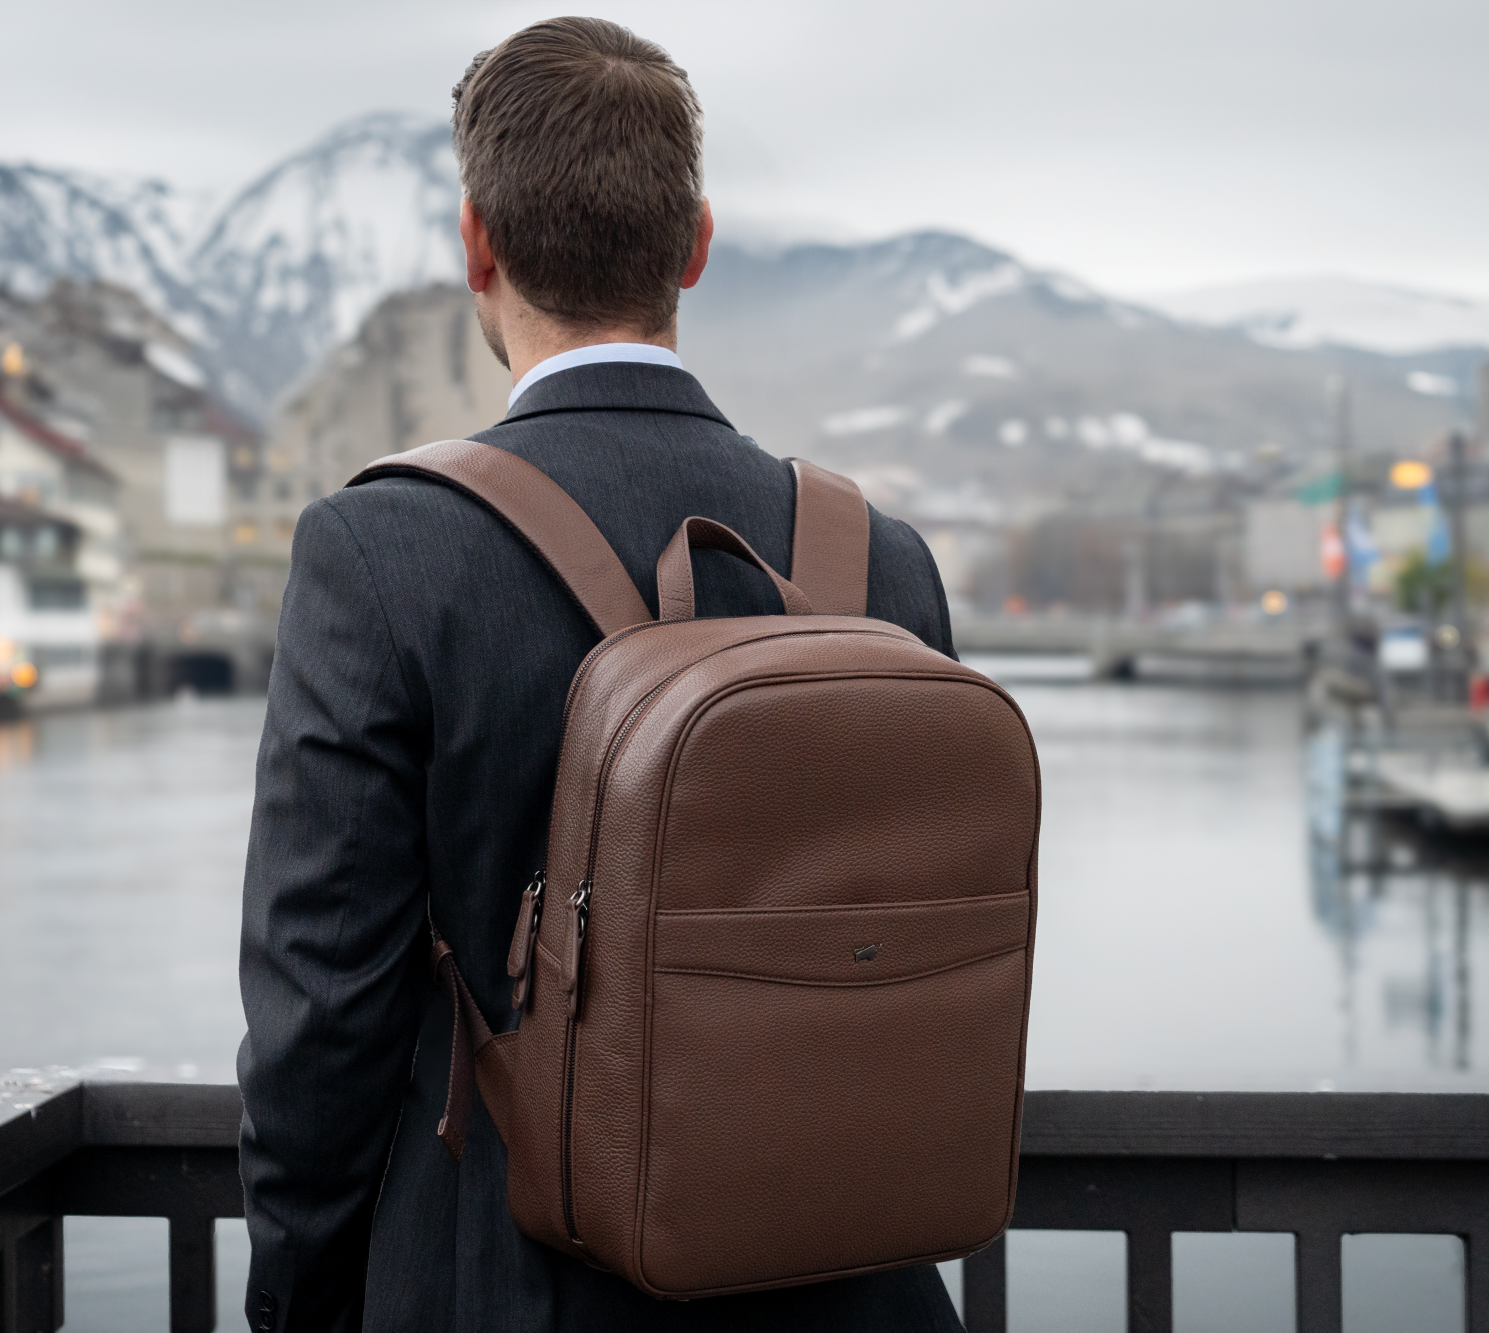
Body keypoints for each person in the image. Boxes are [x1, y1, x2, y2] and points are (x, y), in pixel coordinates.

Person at [238, 17, 963, 1332]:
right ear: (694, 244)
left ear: (477, 245)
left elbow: (321, 1008)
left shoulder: (381, 552)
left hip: (509, 1285)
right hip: (853, 1285)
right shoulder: (881, 562)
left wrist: (297, 1295)